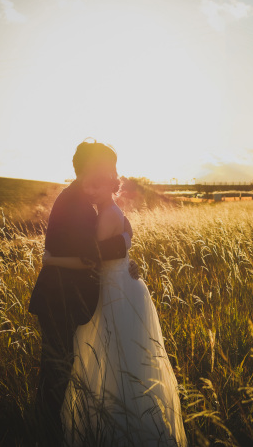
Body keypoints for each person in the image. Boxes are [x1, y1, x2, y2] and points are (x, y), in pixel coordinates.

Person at [43, 145, 186, 446]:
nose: (93, 188)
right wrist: (124, 244)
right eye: (94, 178)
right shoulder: (77, 203)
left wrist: (123, 245)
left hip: (112, 292)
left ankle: (115, 431)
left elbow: (91, 257)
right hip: (75, 296)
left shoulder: (96, 207)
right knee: (76, 369)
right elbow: (99, 251)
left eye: (102, 179)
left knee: (113, 363)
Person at [28, 140, 140, 444]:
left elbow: (100, 250)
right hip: (59, 300)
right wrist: (125, 244)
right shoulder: (76, 206)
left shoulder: (81, 198)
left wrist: (126, 253)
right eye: (110, 167)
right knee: (57, 373)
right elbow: (92, 256)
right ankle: (46, 434)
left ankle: (47, 430)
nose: (114, 174)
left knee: (58, 370)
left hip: (64, 300)